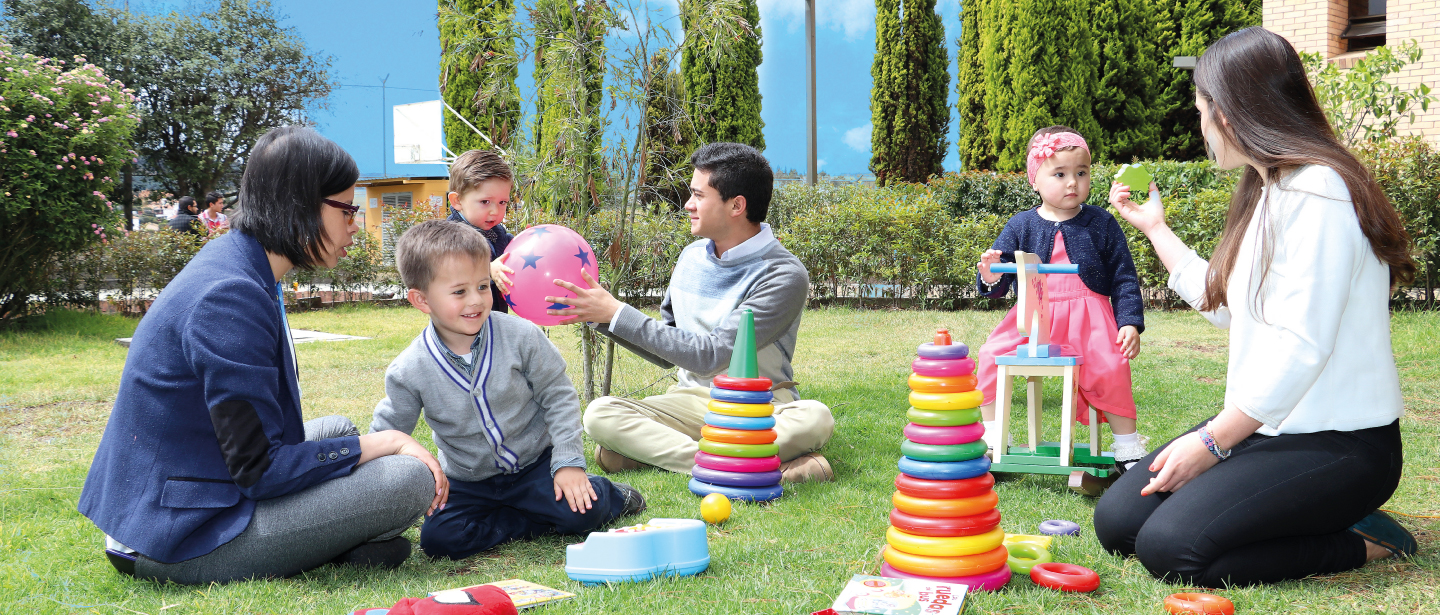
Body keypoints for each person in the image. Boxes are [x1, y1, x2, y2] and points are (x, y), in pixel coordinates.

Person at [1093, 27, 1417, 587]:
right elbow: (1231, 308)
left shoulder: (1320, 192)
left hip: (1343, 444)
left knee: (1171, 551)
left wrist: (1213, 442)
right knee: (1118, 522)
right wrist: (1156, 229)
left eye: (1201, 110)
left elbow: (1300, 343)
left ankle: (1365, 539)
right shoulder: (1270, 189)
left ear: (1232, 112)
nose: (1200, 127)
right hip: (1269, 430)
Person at [78, 126, 446, 584]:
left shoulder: (238, 261)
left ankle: (339, 543)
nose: (354, 224)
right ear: (301, 205)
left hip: (188, 481)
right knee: (407, 477)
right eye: (347, 209)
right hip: (176, 534)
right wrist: (389, 442)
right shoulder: (229, 298)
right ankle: (337, 542)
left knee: (339, 431)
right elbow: (260, 470)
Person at [544, 142, 836, 483]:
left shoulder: (783, 274)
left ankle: (661, 454)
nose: (688, 205)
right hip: (691, 402)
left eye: (698, 195)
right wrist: (603, 317)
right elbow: (670, 350)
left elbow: (712, 356)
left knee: (816, 418)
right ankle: (736, 465)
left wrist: (618, 312)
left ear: (737, 205)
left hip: (763, 406)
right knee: (600, 414)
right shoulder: (691, 257)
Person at [372, 220, 645, 561]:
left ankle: (610, 492)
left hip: (537, 468)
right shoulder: (409, 369)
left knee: (583, 513)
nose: (476, 300)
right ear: (421, 299)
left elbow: (558, 397)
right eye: (459, 292)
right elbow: (387, 435)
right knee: (440, 541)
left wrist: (568, 463)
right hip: (468, 483)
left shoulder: (520, 335)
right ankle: (528, 520)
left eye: (483, 286)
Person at [974, 126, 1149, 470]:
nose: (1073, 182)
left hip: (1091, 314)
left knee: (1111, 365)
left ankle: (1127, 446)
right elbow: (1001, 272)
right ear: (1034, 180)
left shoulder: (1101, 222)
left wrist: (1129, 322)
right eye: (1060, 173)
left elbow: (1123, 277)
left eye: (1081, 173)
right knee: (991, 354)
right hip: (1034, 316)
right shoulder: (1021, 224)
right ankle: (994, 436)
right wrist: (991, 274)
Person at [445, 149, 515, 314]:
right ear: (457, 200)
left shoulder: (498, 233)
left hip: (495, 322)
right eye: (485, 201)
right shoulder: (449, 236)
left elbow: (512, 256)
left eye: (502, 202)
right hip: (461, 326)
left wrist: (527, 245)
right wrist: (487, 270)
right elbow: (451, 270)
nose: (495, 211)